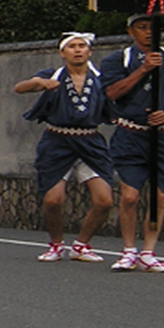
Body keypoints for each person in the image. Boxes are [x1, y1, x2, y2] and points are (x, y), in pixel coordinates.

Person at [99, 13, 164, 273]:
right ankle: (129, 250)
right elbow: (111, 92)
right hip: (130, 134)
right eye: (141, 28)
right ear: (131, 31)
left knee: (158, 196)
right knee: (130, 196)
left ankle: (149, 252)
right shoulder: (119, 59)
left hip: (162, 135)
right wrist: (144, 69)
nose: (148, 32)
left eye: (152, 28)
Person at [14, 32, 114, 261]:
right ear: (62, 53)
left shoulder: (102, 77)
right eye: (72, 46)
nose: (77, 50)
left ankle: (81, 245)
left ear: (89, 51)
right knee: (53, 199)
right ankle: (56, 244)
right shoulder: (53, 75)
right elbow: (20, 87)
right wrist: (40, 83)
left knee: (104, 201)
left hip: (91, 141)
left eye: (82, 46)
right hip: (58, 140)